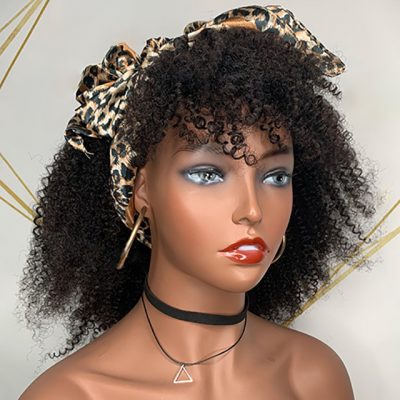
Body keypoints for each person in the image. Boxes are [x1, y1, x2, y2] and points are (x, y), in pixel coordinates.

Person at [18, 4, 378, 399]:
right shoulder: (71, 394)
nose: (252, 210)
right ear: (140, 191)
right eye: (207, 174)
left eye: (275, 177)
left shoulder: (313, 378)